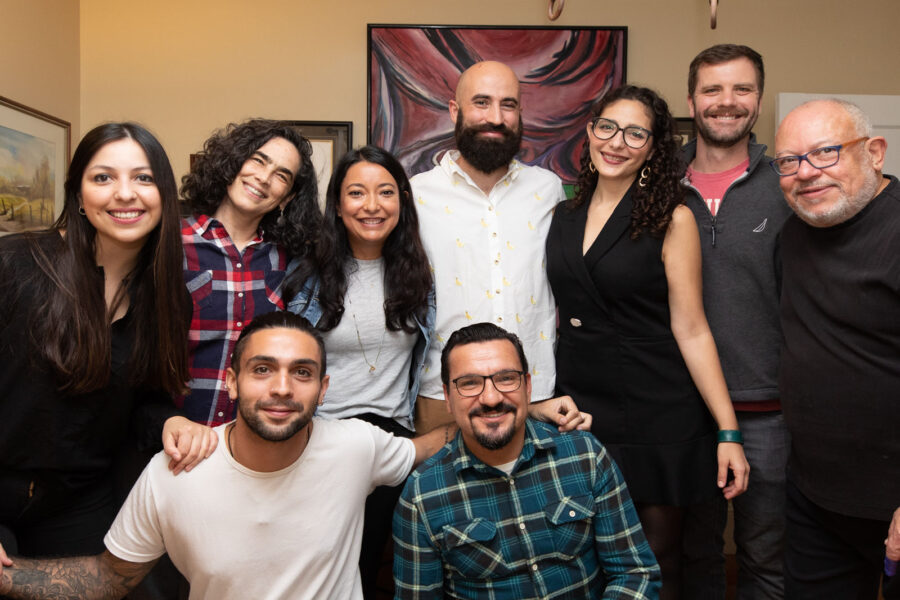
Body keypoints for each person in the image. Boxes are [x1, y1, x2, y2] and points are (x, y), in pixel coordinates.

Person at [0, 311, 452, 600]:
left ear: (323, 389)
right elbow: (109, 577)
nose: (281, 388)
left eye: (302, 372)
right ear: (232, 383)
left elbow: (424, 448)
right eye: (262, 370)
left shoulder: (356, 445)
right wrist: (6, 577)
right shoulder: (173, 473)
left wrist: (496, 411)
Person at [545, 85, 749, 599]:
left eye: (636, 132)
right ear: (590, 131)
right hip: (582, 407)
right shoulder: (563, 215)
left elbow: (692, 327)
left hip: (659, 410)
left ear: (654, 146)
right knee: (584, 556)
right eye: (607, 127)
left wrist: (727, 430)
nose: (617, 142)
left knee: (655, 563)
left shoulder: (671, 216)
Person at [0, 122, 214, 562]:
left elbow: (145, 399)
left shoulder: (169, 298)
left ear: (164, 196)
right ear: (78, 195)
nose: (125, 193)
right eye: (103, 177)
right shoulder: (15, 264)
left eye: (143, 177)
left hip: (78, 500)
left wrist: (170, 422)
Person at [392, 322, 661, 598]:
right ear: (448, 397)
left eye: (506, 378)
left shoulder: (585, 456)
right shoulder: (422, 498)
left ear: (528, 386)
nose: (491, 398)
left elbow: (633, 573)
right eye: (470, 383)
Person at [285, 145, 435, 597]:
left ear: (402, 202)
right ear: (337, 204)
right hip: (320, 441)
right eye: (356, 193)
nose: (372, 206)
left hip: (391, 445)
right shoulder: (305, 273)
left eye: (385, 192)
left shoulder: (418, 273)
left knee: (366, 569)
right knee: (314, 569)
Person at [410, 60, 585, 434]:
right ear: (455, 111)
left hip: (534, 392)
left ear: (520, 113)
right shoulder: (416, 195)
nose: (496, 117)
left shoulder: (548, 190)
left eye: (508, 105)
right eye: (482, 102)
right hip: (442, 395)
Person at [772, 99, 900, 598]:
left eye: (826, 153)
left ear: (874, 152)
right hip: (814, 497)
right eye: (789, 161)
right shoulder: (791, 237)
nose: (806, 173)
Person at [679, 44, 793, 600]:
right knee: (688, 555)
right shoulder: (654, 186)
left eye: (741, 89)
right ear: (691, 100)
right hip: (681, 409)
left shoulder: (791, 185)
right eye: (713, 90)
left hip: (770, 413)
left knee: (767, 558)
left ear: (759, 100)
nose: (727, 103)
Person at [180, 119, 320, 426]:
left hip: (252, 445)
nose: (264, 178)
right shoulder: (173, 244)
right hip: (176, 438)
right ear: (234, 162)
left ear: (287, 197)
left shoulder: (289, 261)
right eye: (258, 160)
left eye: (281, 175)